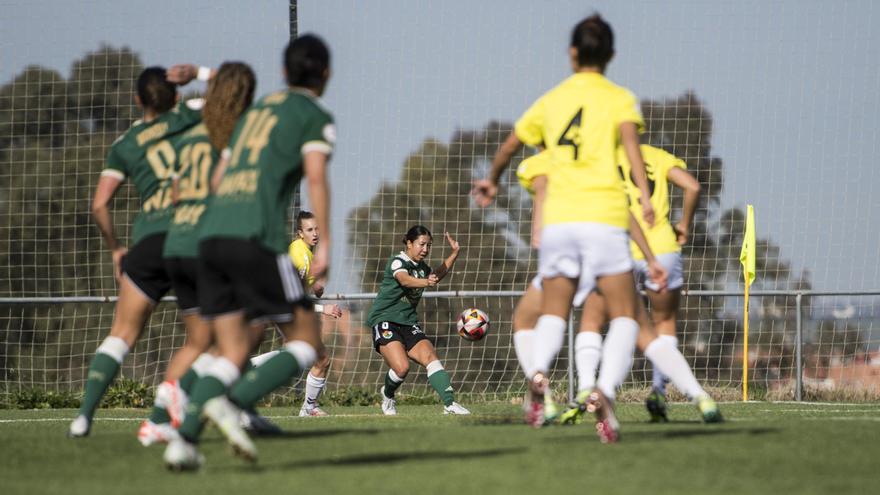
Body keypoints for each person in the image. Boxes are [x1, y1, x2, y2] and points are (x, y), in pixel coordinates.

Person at [473, 14, 654, 443]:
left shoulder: (551, 100)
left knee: (553, 312)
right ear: (611, 54)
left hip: (559, 224)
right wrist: (644, 196)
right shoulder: (619, 98)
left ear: (572, 53)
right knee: (625, 315)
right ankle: (604, 390)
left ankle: (538, 374)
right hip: (604, 217)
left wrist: (493, 179)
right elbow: (631, 150)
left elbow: (511, 144)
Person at [163, 34, 335, 470]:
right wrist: (327, 241)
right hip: (255, 238)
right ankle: (232, 402)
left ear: (282, 73)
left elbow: (221, 173)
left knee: (234, 348)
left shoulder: (258, 110)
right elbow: (315, 176)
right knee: (308, 341)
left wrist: (201, 74)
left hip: (211, 236)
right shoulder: (312, 114)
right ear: (327, 74)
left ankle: (183, 440)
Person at [69, 66, 204, 438]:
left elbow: (99, 204)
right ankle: (164, 410)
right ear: (174, 95)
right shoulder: (188, 116)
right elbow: (233, 92)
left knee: (122, 334)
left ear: (137, 100)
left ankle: (83, 417)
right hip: (188, 236)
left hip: (145, 242)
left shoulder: (125, 145)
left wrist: (116, 250)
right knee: (201, 340)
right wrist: (198, 73)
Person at [137, 62, 258, 446]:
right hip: (207, 246)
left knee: (202, 342)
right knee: (238, 335)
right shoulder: (229, 137)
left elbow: (173, 195)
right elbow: (237, 88)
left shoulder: (187, 137)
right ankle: (185, 409)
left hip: (178, 242)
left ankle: (164, 415)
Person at [560, 144, 721, 424]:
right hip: (661, 248)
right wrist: (684, 224)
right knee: (662, 323)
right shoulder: (658, 157)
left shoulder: (603, 156)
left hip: (619, 248)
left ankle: (589, 387)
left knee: (594, 320)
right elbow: (692, 187)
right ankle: (660, 391)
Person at [510, 151, 670, 427]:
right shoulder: (603, 163)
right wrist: (651, 257)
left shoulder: (545, 159)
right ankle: (604, 392)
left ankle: (546, 389)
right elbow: (626, 214)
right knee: (627, 325)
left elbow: (542, 186)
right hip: (605, 256)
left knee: (530, 319)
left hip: (565, 253)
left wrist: (537, 226)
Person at [366, 226, 469, 416]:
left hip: (408, 322)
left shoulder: (422, 268)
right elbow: (404, 280)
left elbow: (435, 275)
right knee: (402, 368)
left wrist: (454, 253)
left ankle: (450, 404)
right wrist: (426, 282)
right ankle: (387, 395)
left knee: (431, 358)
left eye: (429, 245)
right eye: (422, 244)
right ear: (409, 243)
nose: (425, 249)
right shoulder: (398, 261)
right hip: (385, 320)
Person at [249, 211, 342, 417]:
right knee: (320, 358)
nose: (315, 233)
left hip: (277, 305)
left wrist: (314, 287)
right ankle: (308, 407)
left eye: (317, 228)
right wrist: (322, 308)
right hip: (279, 305)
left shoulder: (305, 252)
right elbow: (289, 294)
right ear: (300, 233)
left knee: (304, 355)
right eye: (309, 230)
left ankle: (308, 407)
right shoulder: (299, 254)